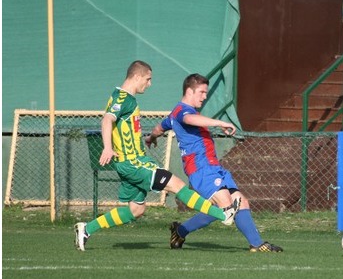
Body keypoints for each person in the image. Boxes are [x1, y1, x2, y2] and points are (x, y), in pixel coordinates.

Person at [74, 61, 240, 251]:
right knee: (177, 185)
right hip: (134, 162)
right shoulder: (123, 98)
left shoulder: (122, 97)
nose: (149, 84)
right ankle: (223, 214)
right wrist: (107, 148)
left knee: (136, 210)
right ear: (137, 77)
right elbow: (107, 120)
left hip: (128, 163)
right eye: (148, 79)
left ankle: (86, 229)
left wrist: (150, 137)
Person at [146, 73, 283, 253]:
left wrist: (151, 137)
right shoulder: (182, 111)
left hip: (214, 167)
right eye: (202, 92)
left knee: (241, 202)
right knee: (226, 208)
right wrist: (219, 123)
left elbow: (159, 127)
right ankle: (180, 231)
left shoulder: (176, 115)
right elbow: (189, 120)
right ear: (189, 91)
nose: (205, 96)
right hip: (201, 169)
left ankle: (257, 244)